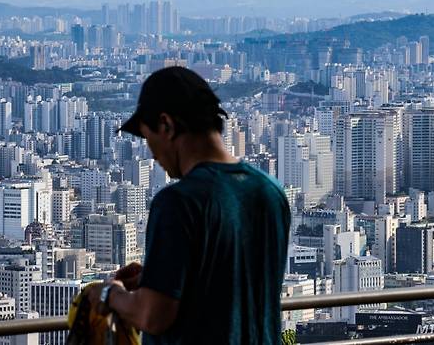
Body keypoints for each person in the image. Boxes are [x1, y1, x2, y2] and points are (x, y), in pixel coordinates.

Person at [88, 66, 291, 344]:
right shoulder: (270, 191)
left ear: (166, 125)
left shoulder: (179, 202)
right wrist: (158, 278)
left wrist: (107, 293)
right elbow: (236, 278)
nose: (152, 153)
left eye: (149, 138)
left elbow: (153, 316)